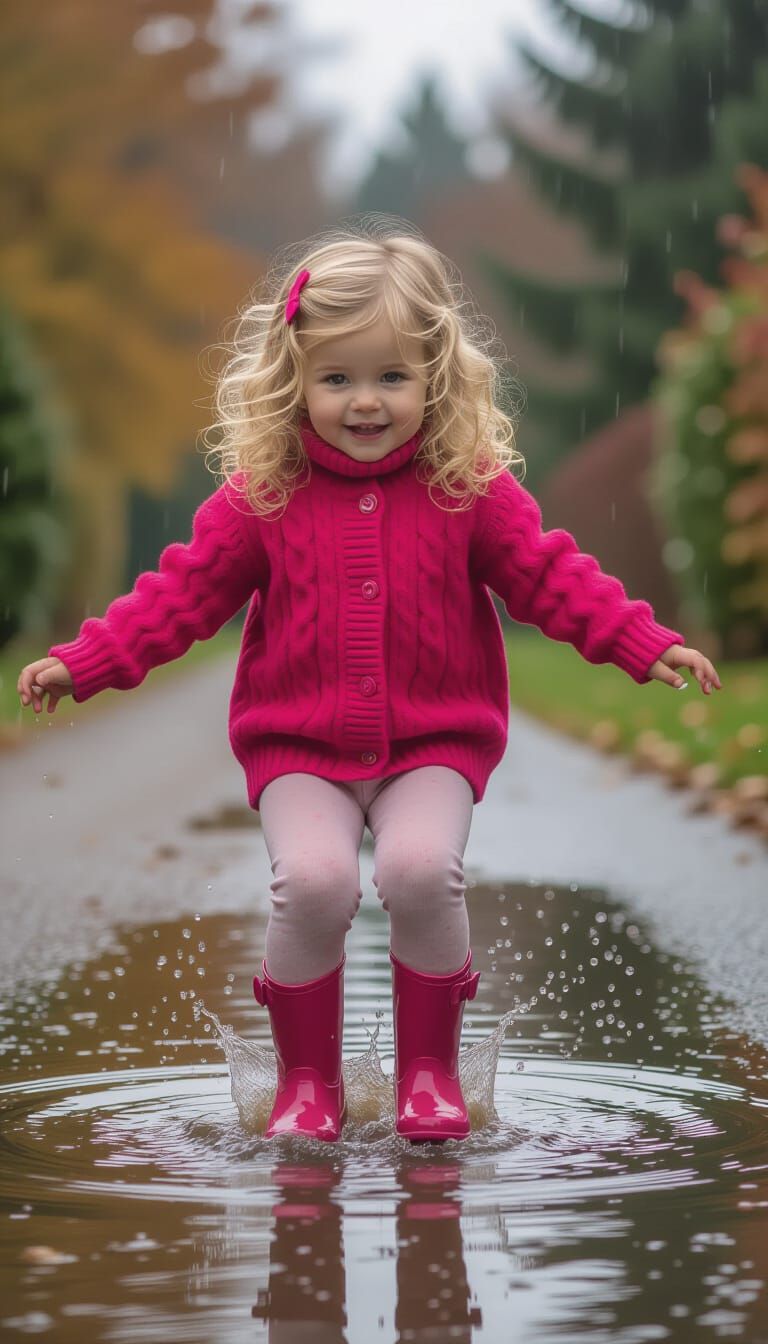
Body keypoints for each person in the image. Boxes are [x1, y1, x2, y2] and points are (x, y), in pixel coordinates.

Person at [18, 219, 722, 1146]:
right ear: (293, 381)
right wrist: (85, 661)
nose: (364, 402)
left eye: (392, 377)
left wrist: (641, 639)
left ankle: (430, 1076)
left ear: (435, 377)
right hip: (299, 750)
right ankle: (305, 1083)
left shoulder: (466, 487)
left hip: (432, 745)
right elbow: (180, 597)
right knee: (312, 885)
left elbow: (551, 578)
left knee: (420, 872)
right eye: (337, 378)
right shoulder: (261, 494)